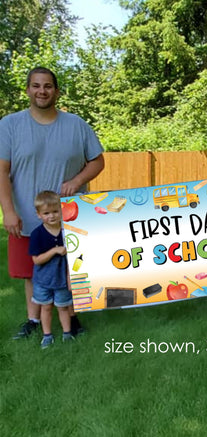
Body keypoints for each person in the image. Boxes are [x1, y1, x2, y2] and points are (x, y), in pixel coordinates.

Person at [0, 66, 104, 338]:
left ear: (57, 91)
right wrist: (8, 211)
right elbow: (1, 170)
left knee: (74, 269)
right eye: (36, 85)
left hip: (69, 217)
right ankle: (34, 321)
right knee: (30, 271)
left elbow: (97, 161)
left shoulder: (77, 125)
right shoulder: (9, 125)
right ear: (27, 90)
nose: (41, 91)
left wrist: (77, 180)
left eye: (47, 86)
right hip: (27, 214)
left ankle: (73, 319)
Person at [29, 191, 73, 348]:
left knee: (63, 307)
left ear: (61, 210)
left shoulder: (68, 231)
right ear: (39, 215)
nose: (52, 216)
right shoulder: (37, 234)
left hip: (61, 278)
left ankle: (67, 333)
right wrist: (54, 251)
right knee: (46, 307)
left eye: (55, 211)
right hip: (43, 280)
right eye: (46, 213)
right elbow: (36, 260)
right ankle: (47, 335)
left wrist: (69, 277)